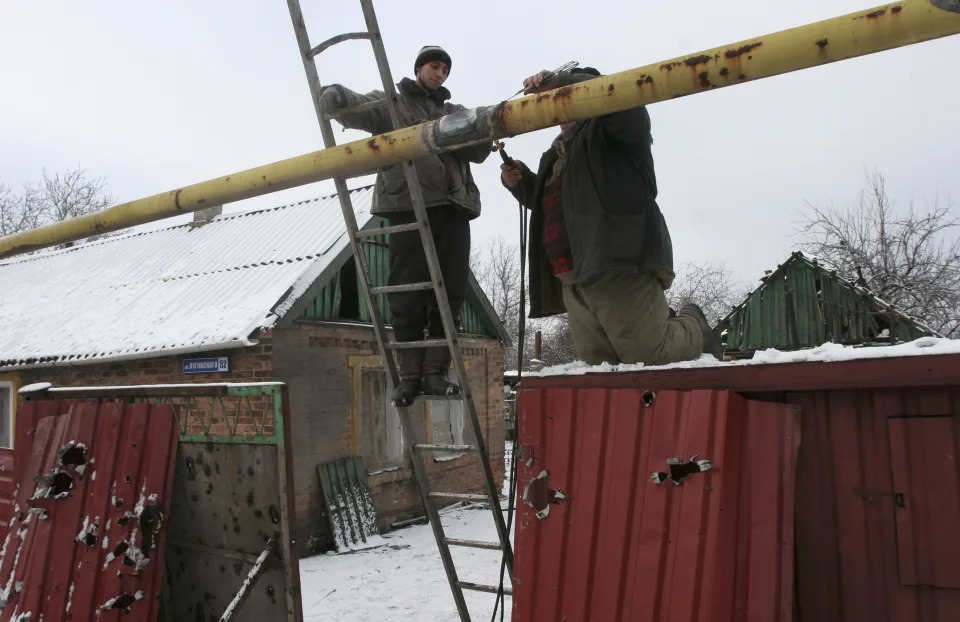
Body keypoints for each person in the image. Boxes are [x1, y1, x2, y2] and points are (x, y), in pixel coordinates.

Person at [500, 67, 723, 366]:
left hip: (619, 261)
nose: (559, 103)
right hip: (573, 276)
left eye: (566, 96)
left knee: (648, 354)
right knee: (600, 363)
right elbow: (562, 206)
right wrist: (523, 183)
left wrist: (564, 82)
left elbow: (622, 103)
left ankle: (696, 328)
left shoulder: (614, 130)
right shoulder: (555, 155)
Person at [319, 46, 490, 406]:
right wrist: (336, 96)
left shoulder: (452, 113)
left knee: (450, 293)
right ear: (419, 69)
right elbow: (362, 106)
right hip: (407, 206)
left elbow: (478, 149)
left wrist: (484, 127)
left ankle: (435, 373)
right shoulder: (394, 104)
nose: (439, 73)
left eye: (445, 69)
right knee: (407, 292)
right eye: (434, 66)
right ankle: (410, 377)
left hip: (453, 207)